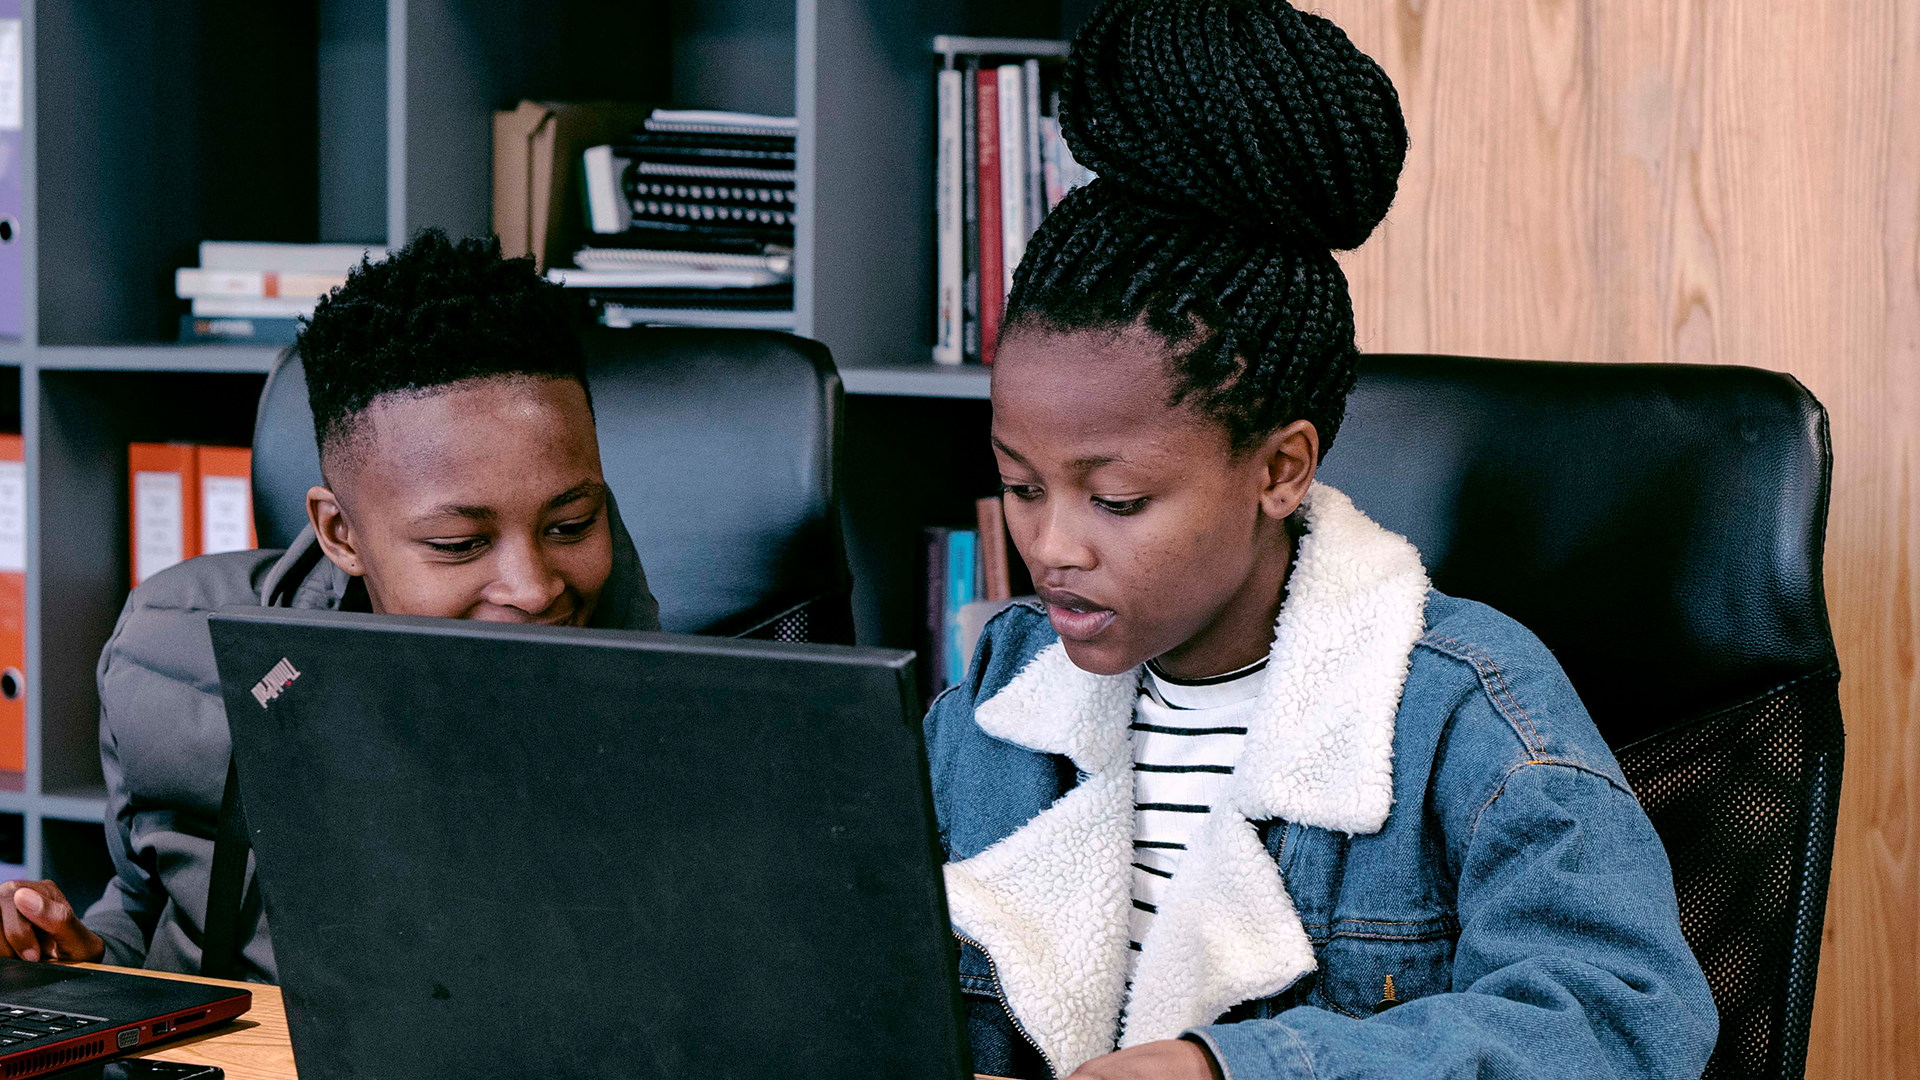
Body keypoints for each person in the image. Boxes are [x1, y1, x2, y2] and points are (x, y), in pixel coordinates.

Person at [925, 2, 1718, 1078]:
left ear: (1280, 470)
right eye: (1018, 485)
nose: (1051, 545)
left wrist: (1231, 1071)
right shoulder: (994, 701)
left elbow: (1626, 1018)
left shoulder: (1457, 708)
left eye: (1115, 503)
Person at [0, 230, 660, 980]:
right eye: (458, 544)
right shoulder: (174, 660)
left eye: (572, 525)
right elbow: (149, 912)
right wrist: (76, 962)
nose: (536, 587)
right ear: (340, 533)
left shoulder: (689, 734)